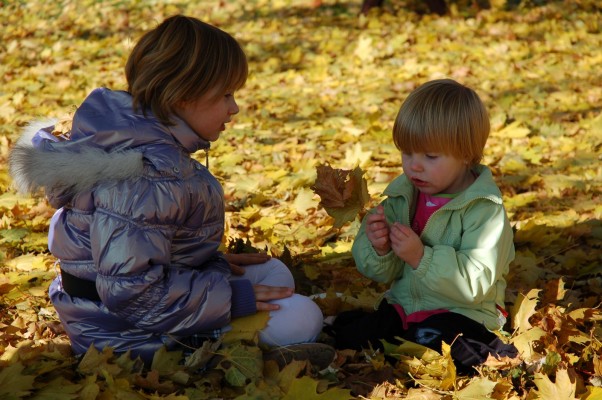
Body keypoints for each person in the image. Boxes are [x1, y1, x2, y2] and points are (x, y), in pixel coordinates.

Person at [9, 15, 332, 368]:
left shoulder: (146, 144)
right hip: (125, 332)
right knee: (303, 317)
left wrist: (207, 263)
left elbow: (146, 248)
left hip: (144, 304)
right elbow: (132, 292)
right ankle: (229, 352)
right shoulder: (145, 175)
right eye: (225, 95)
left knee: (275, 274)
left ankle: (252, 327)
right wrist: (233, 301)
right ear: (182, 97)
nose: (234, 107)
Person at [326, 79, 518, 373]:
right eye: (407, 153)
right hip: (404, 308)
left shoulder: (483, 210)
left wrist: (421, 258)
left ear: (466, 154)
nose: (414, 166)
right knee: (357, 335)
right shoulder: (403, 196)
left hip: (462, 313)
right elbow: (380, 272)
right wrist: (380, 249)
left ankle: (487, 352)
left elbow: (476, 283)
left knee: (445, 344)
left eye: (430, 156)